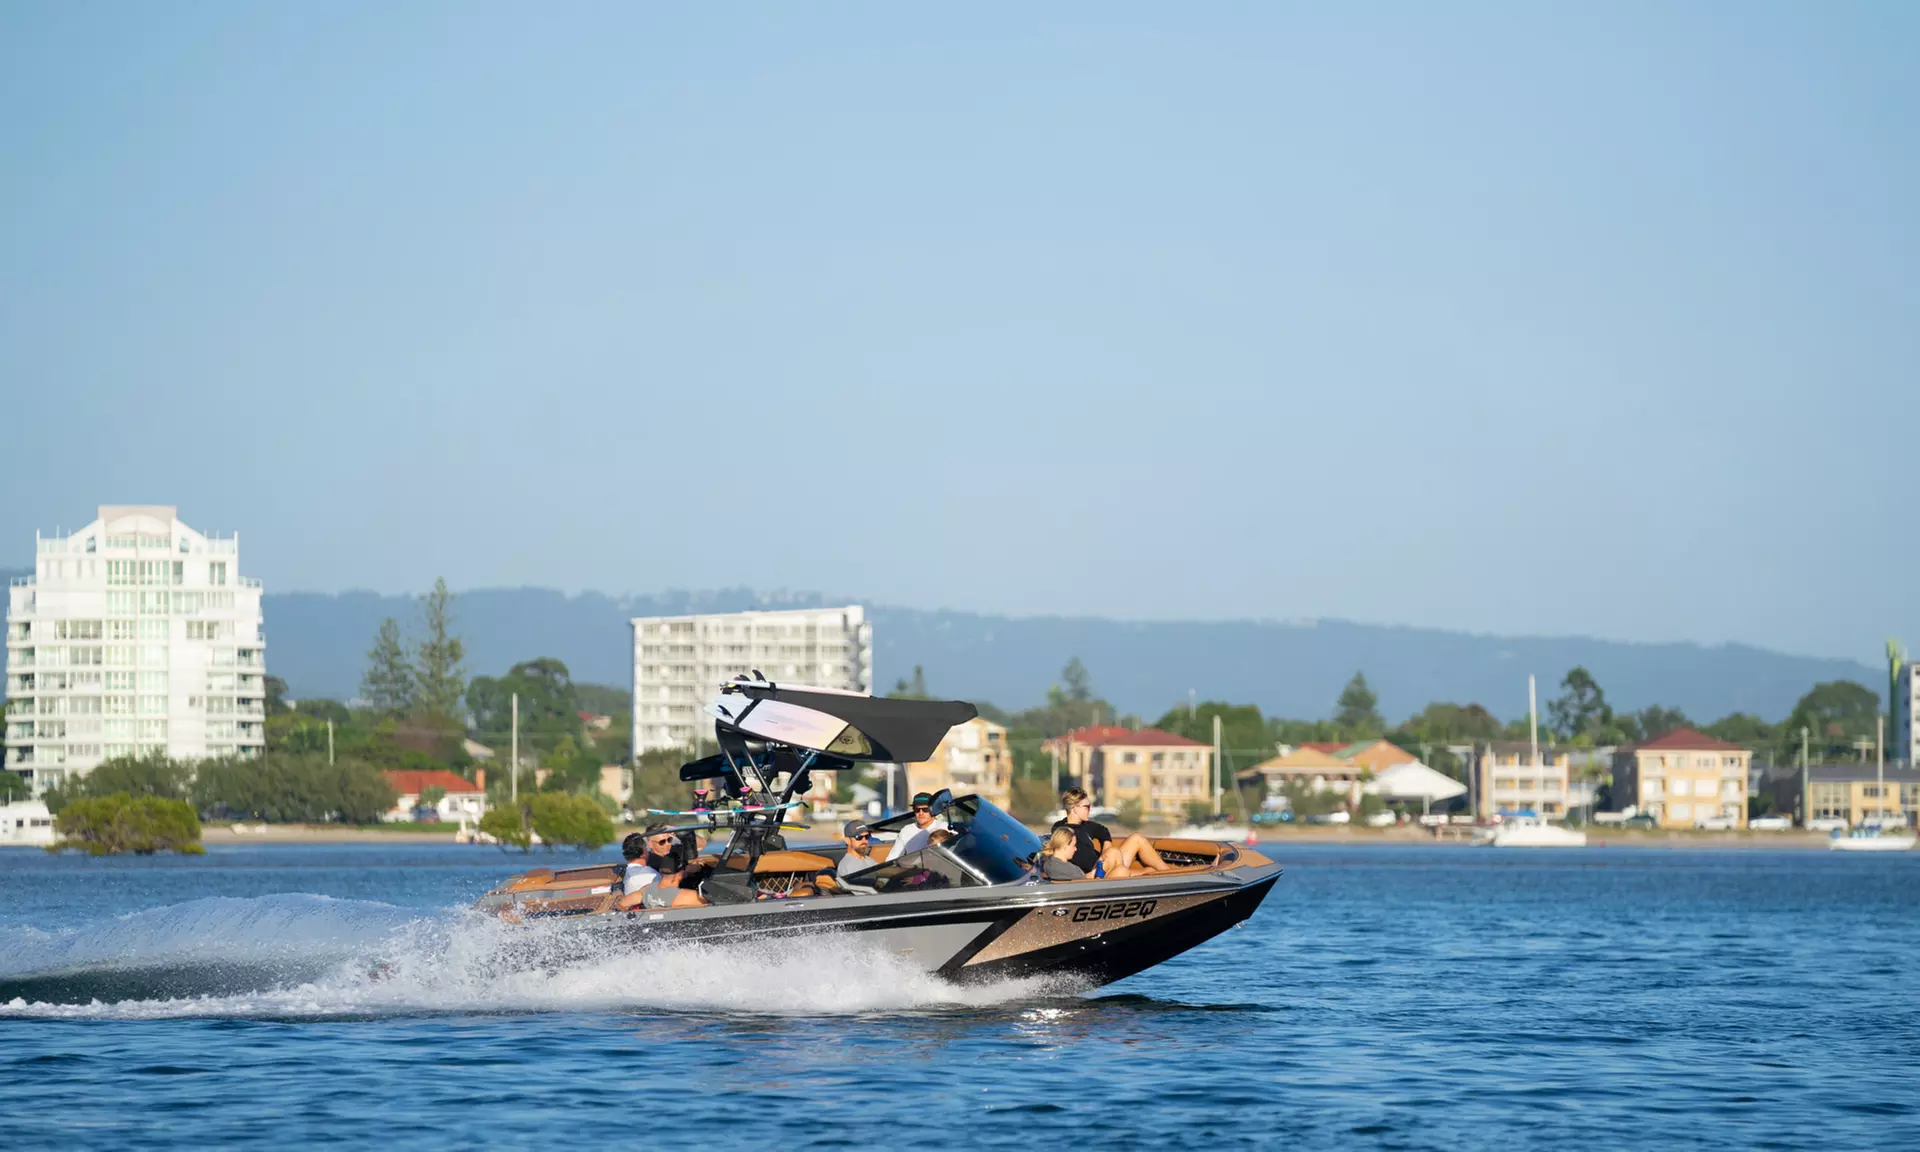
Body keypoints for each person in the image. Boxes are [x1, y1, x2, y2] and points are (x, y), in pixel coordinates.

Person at [1051, 788, 1171, 879]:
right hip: (1094, 875)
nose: (1090, 809)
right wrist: (1105, 858)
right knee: (1115, 854)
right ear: (1074, 808)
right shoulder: (1061, 829)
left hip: (1105, 864)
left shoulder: (1086, 825)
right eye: (1086, 806)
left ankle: (1171, 874)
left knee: (1137, 839)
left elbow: (1103, 831)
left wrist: (1105, 850)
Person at [615, 823, 708, 910]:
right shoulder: (652, 863)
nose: (667, 844)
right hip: (677, 894)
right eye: (662, 841)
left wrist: (679, 831)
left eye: (669, 840)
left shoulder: (673, 851)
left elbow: (702, 844)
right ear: (650, 844)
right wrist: (687, 871)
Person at [885, 792, 949, 861]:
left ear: (933, 809)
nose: (921, 813)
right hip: (915, 870)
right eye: (917, 810)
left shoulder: (945, 827)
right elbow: (892, 859)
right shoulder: (906, 831)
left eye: (925, 809)